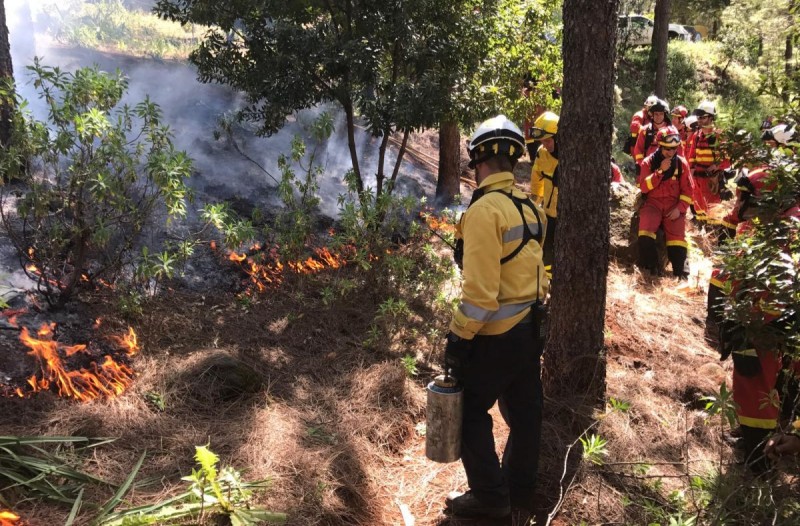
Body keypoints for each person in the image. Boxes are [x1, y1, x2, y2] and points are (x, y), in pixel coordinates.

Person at [444, 115, 549, 519]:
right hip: (531, 330)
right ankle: (520, 492)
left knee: (469, 412)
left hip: (497, 335)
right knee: (526, 414)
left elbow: (481, 296)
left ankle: (490, 500)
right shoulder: (530, 207)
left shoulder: (486, 210)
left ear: (478, 161)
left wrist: (458, 337)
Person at [636, 126, 695, 278]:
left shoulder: (681, 164)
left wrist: (680, 209)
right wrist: (660, 172)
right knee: (645, 233)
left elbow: (688, 191)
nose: (672, 152)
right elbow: (644, 187)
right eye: (668, 149)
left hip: (673, 206)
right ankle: (651, 270)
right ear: (660, 146)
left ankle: (681, 274)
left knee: (677, 240)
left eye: (674, 148)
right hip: (653, 204)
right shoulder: (648, 163)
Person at [686, 100, 730, 224]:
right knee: (699, 213)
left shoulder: (718, 135)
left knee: (713, 213)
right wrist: (691, 170)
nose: (699, 120)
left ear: (711, 118)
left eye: (702, 117)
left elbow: (727, 160)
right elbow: (691, 156)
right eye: (698, 117)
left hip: (711, 180)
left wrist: (716, 166)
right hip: (697, 181)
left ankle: (714, 237)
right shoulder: (697, 135)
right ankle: (702, 235)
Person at [529, 111, 560, 275]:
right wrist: (534, 205)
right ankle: (548, 283)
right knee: (546, 253)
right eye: (542, 141)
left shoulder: (573, 156)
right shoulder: (542, 153)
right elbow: (537, 181)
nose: (545, 145)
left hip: (567, 217)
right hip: (549, 214)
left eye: (548, 140)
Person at [633, 99, 680, 170]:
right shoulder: (645, 130)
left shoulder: (673, 131)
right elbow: (638, 150)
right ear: (652, 114)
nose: (658, 117)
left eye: (661, 114)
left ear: (665, 114)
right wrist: (642, 165)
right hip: (649, 167)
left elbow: (679, 150)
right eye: (656, 114)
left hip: (669, 167)